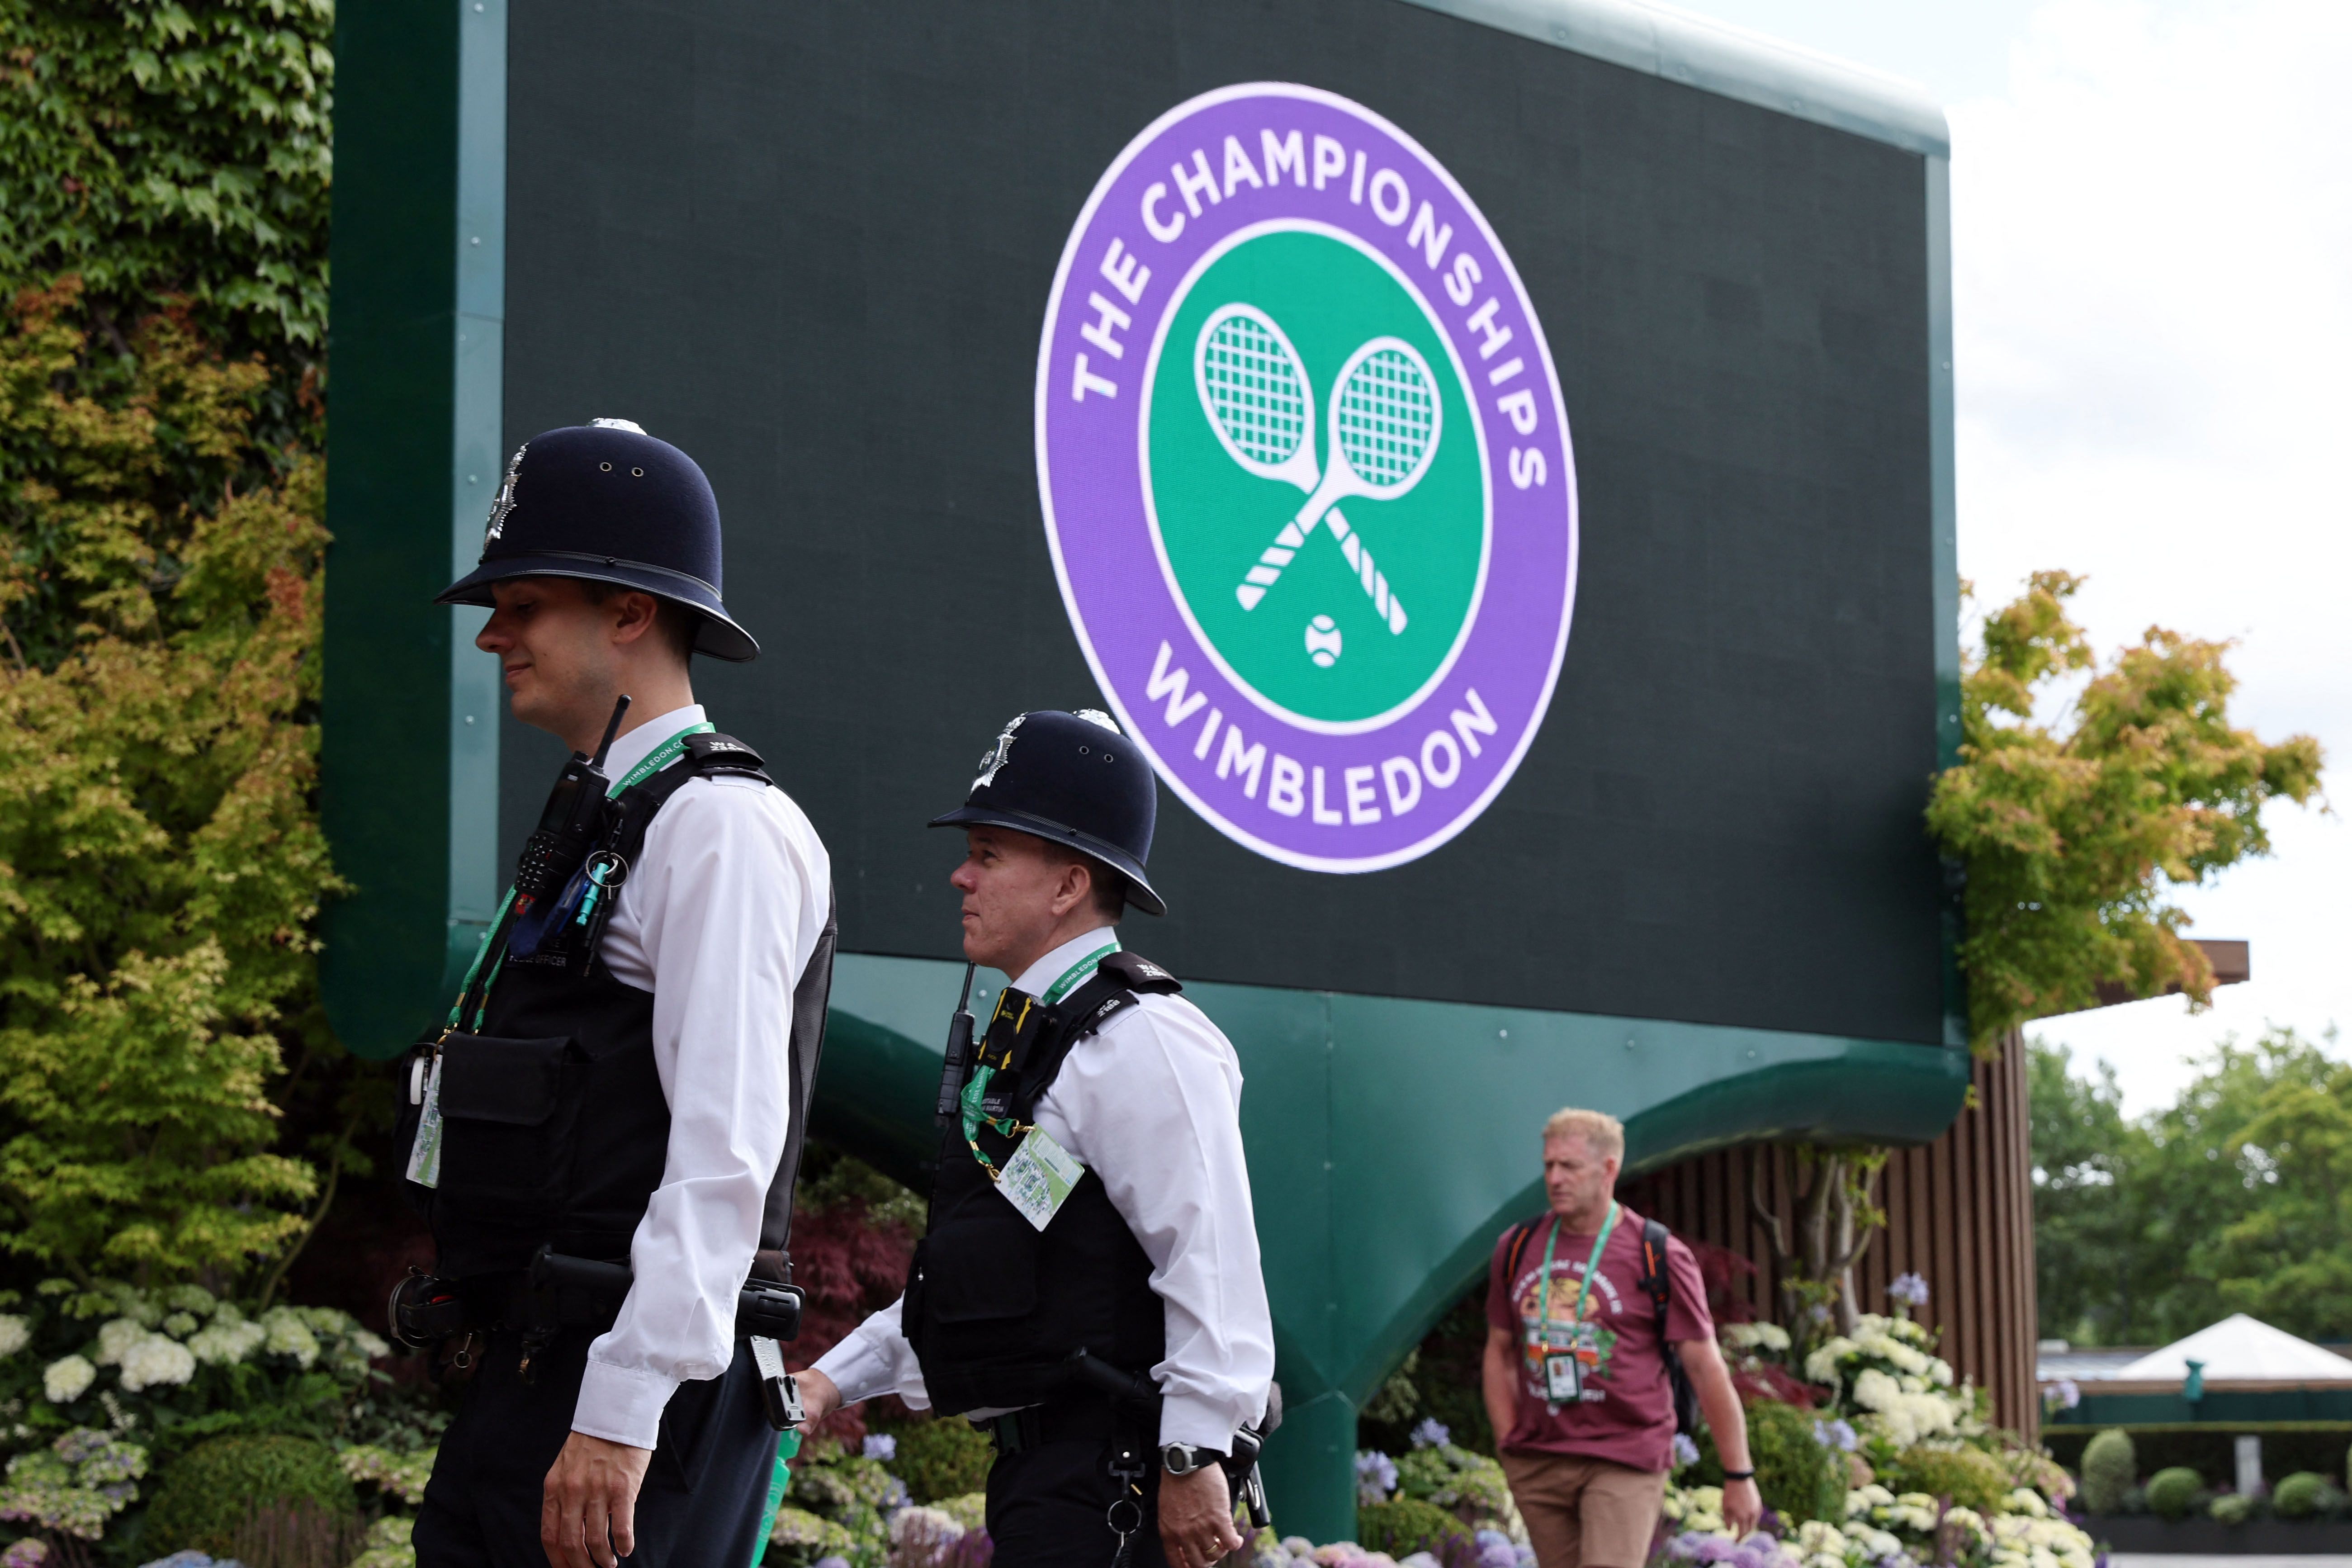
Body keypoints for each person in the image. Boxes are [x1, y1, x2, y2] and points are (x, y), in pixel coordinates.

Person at [397, 419, 835, 1568]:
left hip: (635, 1400)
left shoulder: (720, 827)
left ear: (631, 614)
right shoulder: (608, 812)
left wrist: (624, 1405)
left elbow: (725, 1150)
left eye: (525, 603)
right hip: (541, 1369)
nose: (493, 632)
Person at [794, 708, 1274, 1568]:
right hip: (1057, 1483)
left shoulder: (1144, 1040)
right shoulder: (1044, 1039)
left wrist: (1193, 1451)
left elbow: (1210, 1258)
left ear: (1067, 886)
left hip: (1123, 1483)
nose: (959, 877)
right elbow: (1005, 1273)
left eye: (986, 853)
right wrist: (832, 1379)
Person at [1483, 1109, 1760, 1568]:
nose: (1554, 1178)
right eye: (1549, 1165)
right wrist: (1507, 1440)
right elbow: (1499, 1350)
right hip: (1539, 1459)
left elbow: (1704, 1365)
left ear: (1608, 1168)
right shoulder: (1516, 1246)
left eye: (1569, 1166)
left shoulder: (1658, 1254)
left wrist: (1738, 1472)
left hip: (1623, 1456)